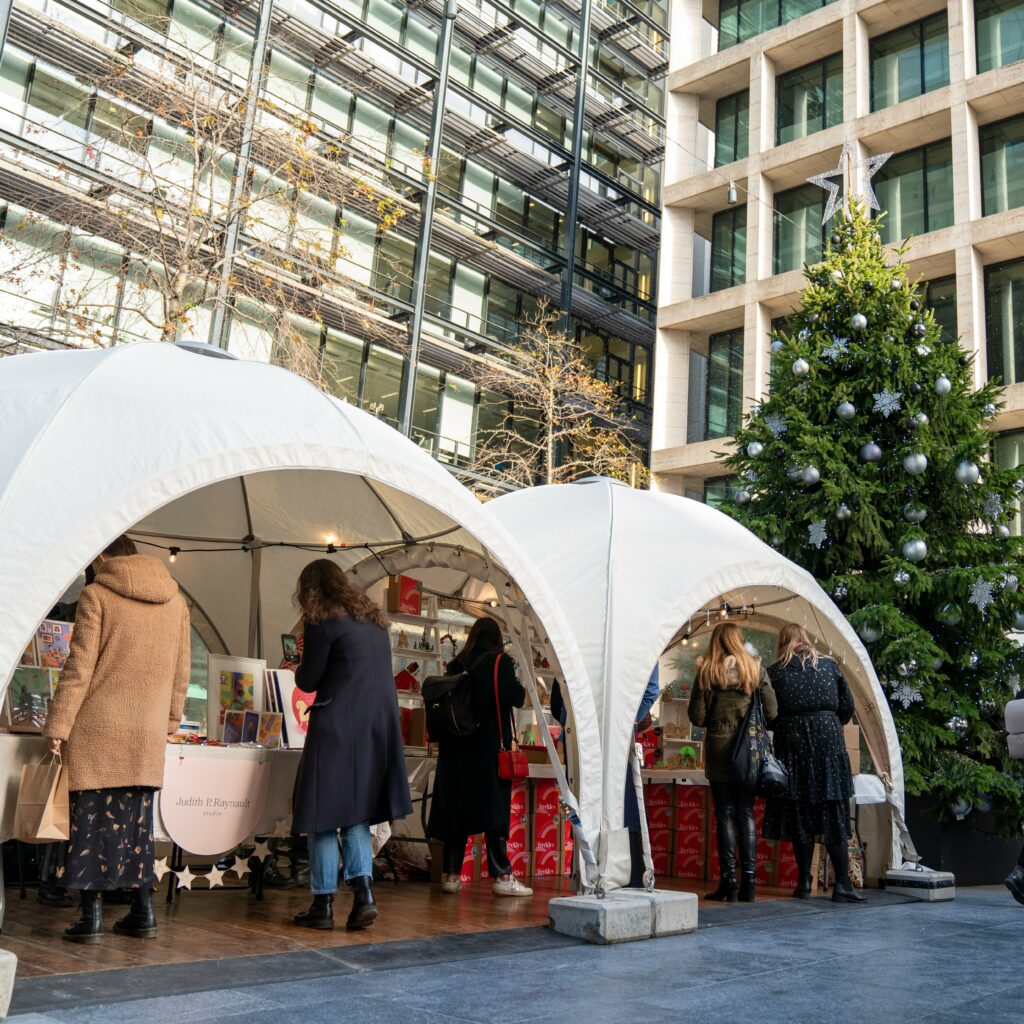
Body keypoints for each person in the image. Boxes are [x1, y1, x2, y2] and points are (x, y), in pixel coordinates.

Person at [43, 535, 191, 943]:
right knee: (136, 824)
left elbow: (79, 670)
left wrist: (57, 726)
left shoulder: (96, 596)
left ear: (104, 556)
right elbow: (182, 671)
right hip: (146, 732)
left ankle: (90, 917)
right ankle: (142, 911)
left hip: (98, 727)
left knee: (90, 822)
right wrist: (171, 718)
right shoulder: (176, 603)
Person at [291, 560, 412, 931]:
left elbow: (309, 680)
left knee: (322, 813)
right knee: (356, 812)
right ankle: (363, 895)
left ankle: (323, 903)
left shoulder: (321, 620)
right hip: (377, 727)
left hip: (337, 725)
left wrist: (299, 659)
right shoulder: (374, 621)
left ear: (311, 588)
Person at [428, 616, 531, 897]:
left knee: (456, 812)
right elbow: (517, 697)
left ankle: (450, 875)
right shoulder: (500, 664)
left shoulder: (456, 665)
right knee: (494, 811)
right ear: (497, 639)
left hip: (454, 751)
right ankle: (502, 876)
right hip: (488, 750)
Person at [764, 624, 865, 903]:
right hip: (828, 744)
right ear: (806, 640)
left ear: (783, 643)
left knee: (800, 813)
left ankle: (803, 882)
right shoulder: (830, 666)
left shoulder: (775, 672)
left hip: (792, 745)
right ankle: (843, 883)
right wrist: (828, 722)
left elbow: (768, 714)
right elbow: (847, 707)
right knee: (833, 812)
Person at [688, 622, 777, 903]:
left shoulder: (707, 671)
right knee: (746, 813)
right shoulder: (755, 669)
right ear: (739, 641)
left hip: (719, 749)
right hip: (749, 750)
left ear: (716, 642)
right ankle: (749, 882)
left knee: (725, 814)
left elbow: (698, 717)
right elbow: (772, 711)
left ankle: (729, 883)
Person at [625, 664, 661, 888]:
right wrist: (630, 720)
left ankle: (588, 871)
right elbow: (651, 690)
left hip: (586, 732)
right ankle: (631, 870)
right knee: (626, 804)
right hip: (623, 729)